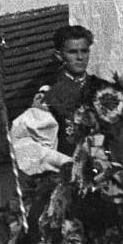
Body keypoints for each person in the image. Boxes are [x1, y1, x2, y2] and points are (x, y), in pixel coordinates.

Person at [43, 25, 97, 156]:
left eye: (84, 51)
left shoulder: (101, 87)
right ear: (59, 55)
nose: (80, 57)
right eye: (72, 52)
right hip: (66, 165)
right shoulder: (48, 92)